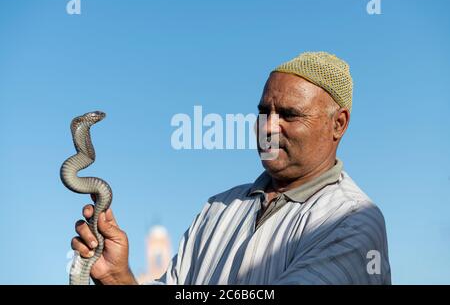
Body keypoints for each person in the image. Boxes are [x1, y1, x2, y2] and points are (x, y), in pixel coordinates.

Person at [72, 51, 391, 285]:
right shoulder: (218, 208)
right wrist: (117, 277)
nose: (269, 127)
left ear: (339, 124)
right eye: (264, 112)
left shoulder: (352, 219)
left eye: (289, 115)